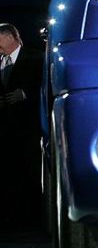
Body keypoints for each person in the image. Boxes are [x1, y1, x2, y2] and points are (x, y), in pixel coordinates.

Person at [0, 23, 44, 229]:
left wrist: (25, 94)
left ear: (10, 37)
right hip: (5, 130)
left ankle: (36, 218)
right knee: (9, 175)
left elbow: (47, 88)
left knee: (32, 172)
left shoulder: (37, 58)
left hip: (30, 128)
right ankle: (13, 220)